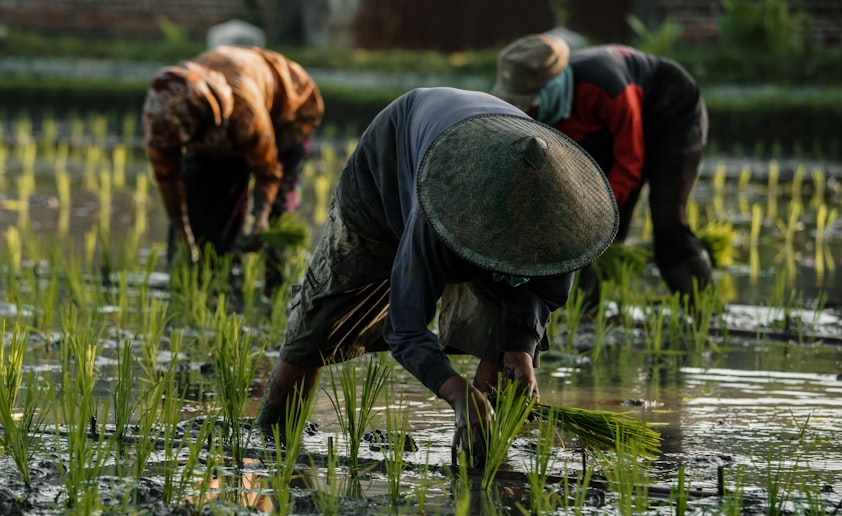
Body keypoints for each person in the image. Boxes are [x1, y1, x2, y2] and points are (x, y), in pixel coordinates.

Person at [256, 87, 618, 468]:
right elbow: (404, 325)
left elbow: (539, 295)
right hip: (393, 159)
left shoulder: (564, 227)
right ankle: (273, 433)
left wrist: (520, 349)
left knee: (503, 335)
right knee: (320, 317)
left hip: (495, 157)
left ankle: (479, 452)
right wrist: (455, 391)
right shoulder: (441, 206)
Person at [491, 34, 714, 301]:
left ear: (549, 86)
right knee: (598, 235)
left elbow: (630, 162)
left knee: (668, 222)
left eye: (526, 100)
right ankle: (589, 312)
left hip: (671, 111)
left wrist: (595, 212)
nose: (522, 108)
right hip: (607, 126)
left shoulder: (605, 84)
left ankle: (704, 312)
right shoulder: (546, 112)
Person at [141, 45, 324, 291]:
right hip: (219, 116)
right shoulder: (162, 121)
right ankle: (210, 276)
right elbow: (168, 179)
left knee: (277, 209)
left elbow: (268, 173)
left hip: (289, 112)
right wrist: (183, 233)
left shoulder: (244, 111)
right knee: (203, 194)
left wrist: (260, 218)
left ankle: (277, 284)